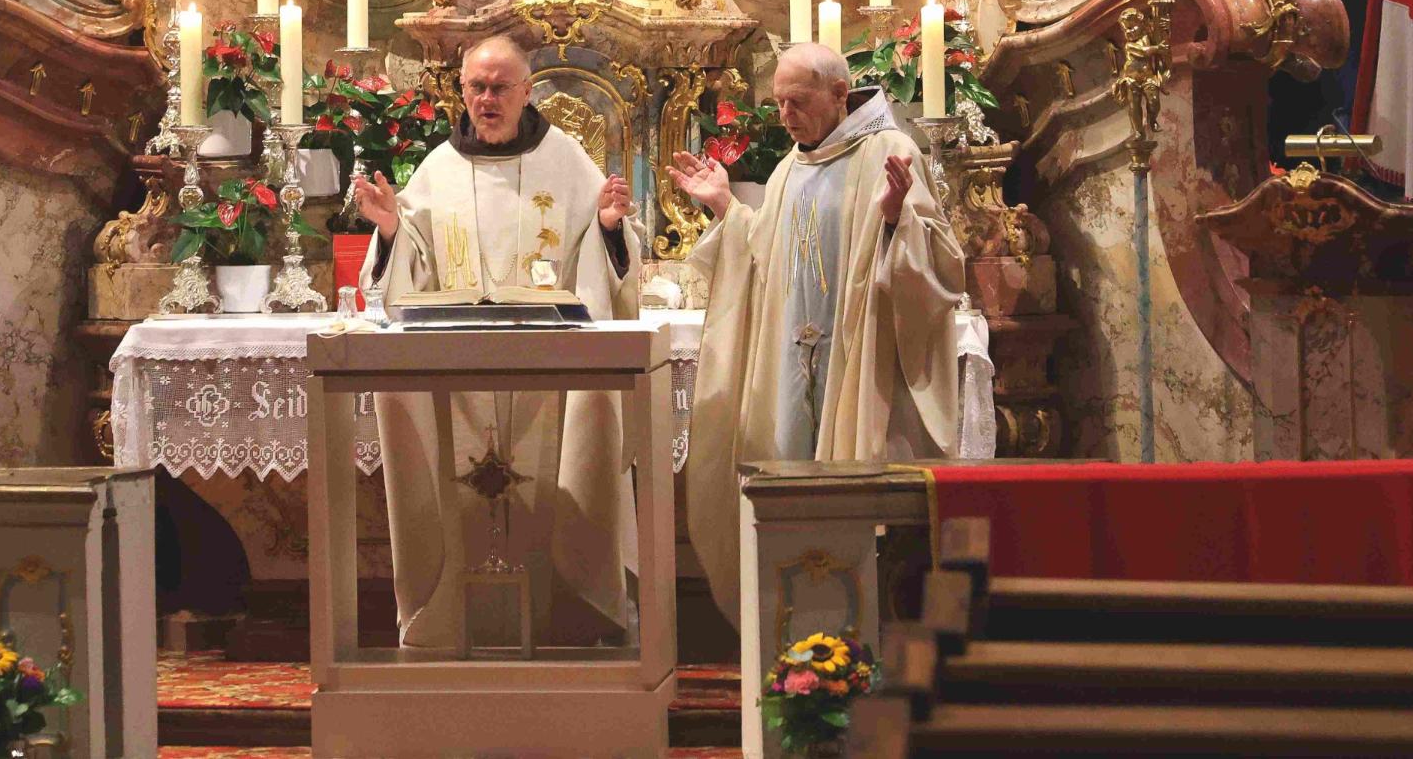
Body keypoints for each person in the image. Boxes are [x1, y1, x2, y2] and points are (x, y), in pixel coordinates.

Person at [355, 35, 641, 648]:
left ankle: (565, 619)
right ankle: (455, 622)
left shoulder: (566, 161)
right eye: (476, 87)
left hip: (548, 380)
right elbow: (412, 261)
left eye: (499, 88)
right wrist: (389, 231)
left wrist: (610, 228)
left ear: (527, 92)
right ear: (460, 91)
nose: (486, 100)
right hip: (458, 379)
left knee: (553, 499)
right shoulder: (438, 169)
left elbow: (601, 253)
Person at [668, 43, 969, 620]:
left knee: (864, 518)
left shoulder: (890, 150)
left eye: (797, 101)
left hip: (862, 376)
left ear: (839, 94)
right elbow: (766, 261)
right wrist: (728, 209)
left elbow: (941, 264)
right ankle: (798, 627)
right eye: (778, 103)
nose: (785, 115)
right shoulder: (786, 170)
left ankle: (867, 632)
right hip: (792, 372)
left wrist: (895, 218)